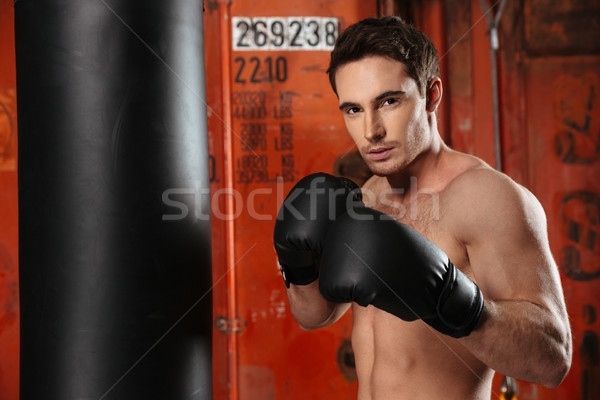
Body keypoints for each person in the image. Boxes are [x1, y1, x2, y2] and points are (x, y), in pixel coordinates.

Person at [273, 16, 572, 400]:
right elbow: (315, 316)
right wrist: (298, 266)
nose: (370, 131)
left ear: (432, 95)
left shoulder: (485, 198)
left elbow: (553, 361)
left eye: (389, 101)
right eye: (353, 109)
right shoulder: (368, 195)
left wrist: (450, 300)